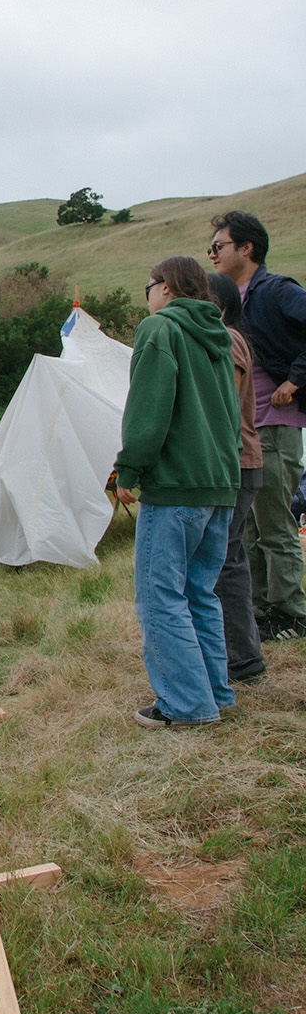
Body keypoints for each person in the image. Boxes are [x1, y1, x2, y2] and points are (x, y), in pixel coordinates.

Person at [114, 256, 240, 727]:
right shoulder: (219, 335)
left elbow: (149, 410)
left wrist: (129, 469)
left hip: (176, 486)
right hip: (218, 484)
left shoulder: (160, 329)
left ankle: (187, 705)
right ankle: (215, 694)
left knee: (159, 596)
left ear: (165, 287)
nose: (147, 296)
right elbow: (230, 415)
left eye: (147, 287)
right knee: (200, 594)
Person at [208, 211, 306, 640]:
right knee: (247, 528)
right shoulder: (232, 300)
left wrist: (296, 379)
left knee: (275, 524)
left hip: (277, 424)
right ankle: (261, 610)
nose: (212, 255)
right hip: (247, 430)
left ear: (246, 248)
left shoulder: (276, 290)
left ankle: (290, 613)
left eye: (219, 246)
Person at [206, 271, 266, 684]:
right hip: (239, 462)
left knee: (224, 563)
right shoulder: (230, 338)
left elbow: (223, 406)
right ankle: (241, 655)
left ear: (218, 304)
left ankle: (241, 659)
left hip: (237, 464)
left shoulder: (227, 339)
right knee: (230, 559)